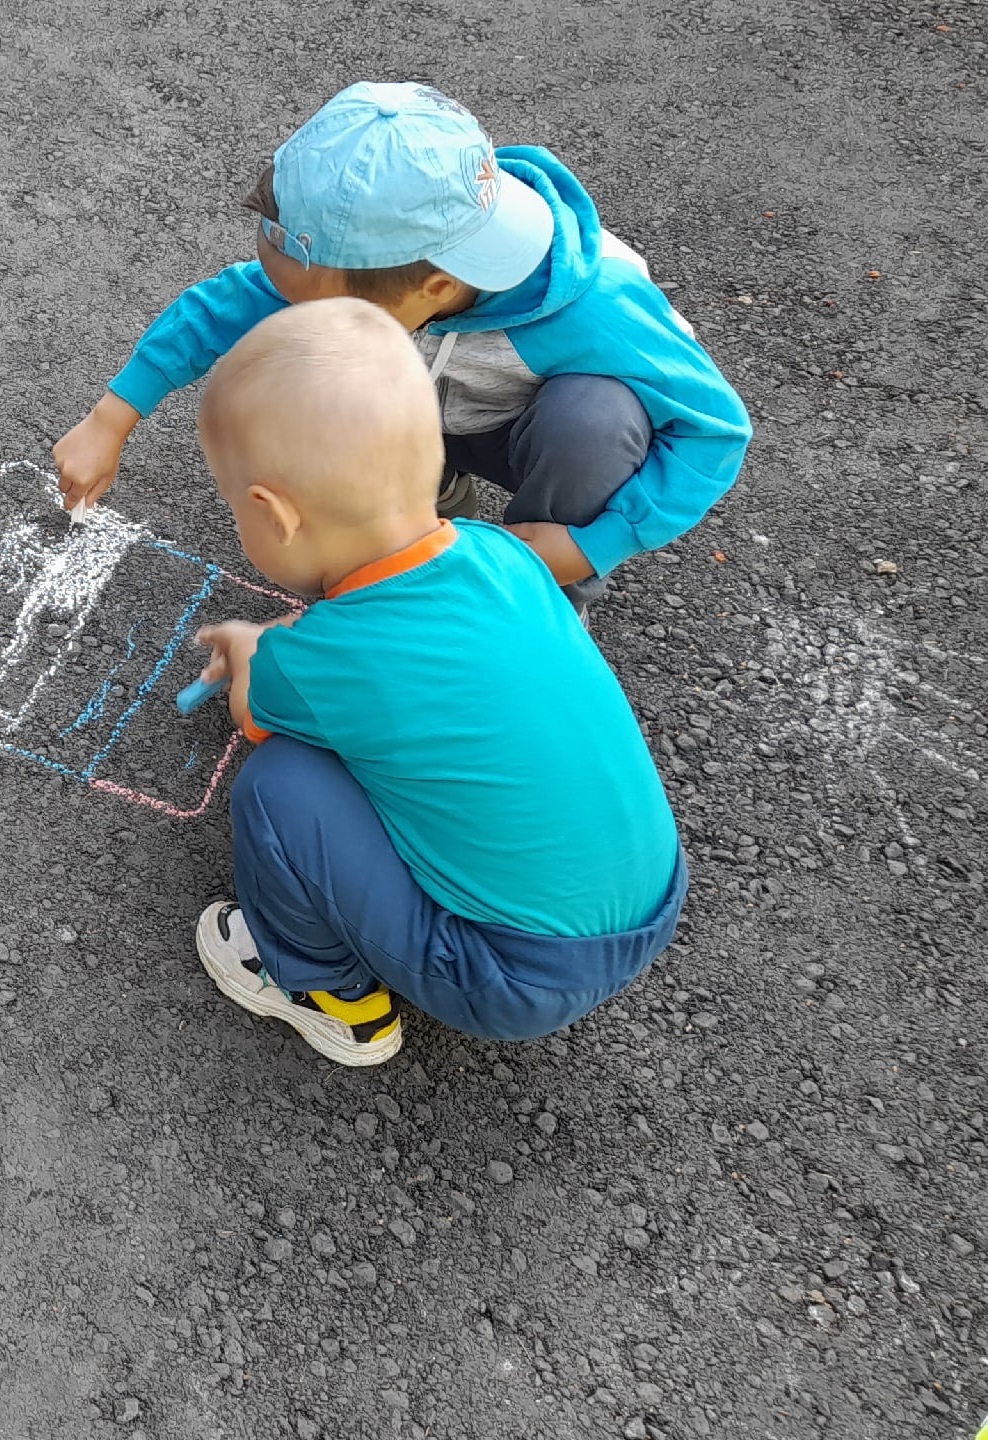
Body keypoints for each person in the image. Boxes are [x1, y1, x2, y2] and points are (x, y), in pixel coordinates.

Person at [188, 298, 687, 1066]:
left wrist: (252, 649)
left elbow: (253, 709)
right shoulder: (505, 554)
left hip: (510, 976)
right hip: (652, 899)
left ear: (274, 515)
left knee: (279, 785)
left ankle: (329, 996)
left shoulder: (317, 660)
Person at [54, 81, 751, 610]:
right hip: (419, 417)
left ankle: (542, 594)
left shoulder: (600, 305)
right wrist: (111, 419)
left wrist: (594, 543)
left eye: (318, 297)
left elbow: (714, 430)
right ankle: (425, 505)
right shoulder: (367, 266)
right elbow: (219, 311)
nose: (298, 301)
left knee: (594, 420)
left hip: (522, 434)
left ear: (436, 287)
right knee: (297, 365)